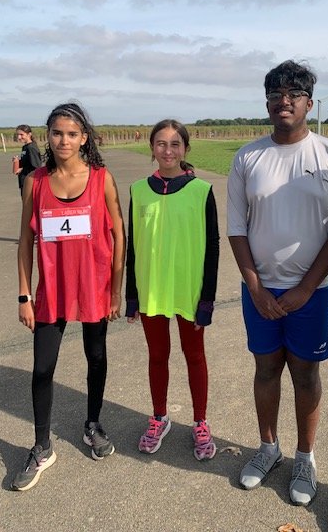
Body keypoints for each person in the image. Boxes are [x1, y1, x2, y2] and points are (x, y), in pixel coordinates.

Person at [227, 60, 328, 505]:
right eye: (276, 94)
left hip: (312, 292)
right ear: (267, 102)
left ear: (309, 103)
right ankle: (269, 448)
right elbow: (237, 228)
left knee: (305, 373)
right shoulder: (247, 157)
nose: (284, 101)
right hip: (260, 290)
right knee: (265, 370)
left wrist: (305, 287)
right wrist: (256, 288)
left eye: (294, 94)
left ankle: (305, 457)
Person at [13, 103, 126, 491]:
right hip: (52, 291)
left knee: (96, 357)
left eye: (72, 134)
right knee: (42, 369)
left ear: (84, 138)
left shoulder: (101, 178)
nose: (64, 140)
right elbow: (25, 240)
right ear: (47, 135)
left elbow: (119, 234)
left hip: (94, 288)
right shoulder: (35, 181)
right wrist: (24, 295)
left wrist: (115, 290)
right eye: (57, 133)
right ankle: (42, 447)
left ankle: (92, 424)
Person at [125, 119, 219, 461]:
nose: (168, 150)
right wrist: (131, 296)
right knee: (157, 356)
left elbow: (212, 247)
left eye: (175, 144)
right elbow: (133, 245)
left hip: (188, 292)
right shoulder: (138, 190)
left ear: (185, 149)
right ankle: (159, 417)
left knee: (195, 356)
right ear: (152, 148)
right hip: (152, 291)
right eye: (161, 143)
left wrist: (207, 300)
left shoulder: (201, 191)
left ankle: (200, 422)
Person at [15, 125, 42, 195]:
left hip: (30, 182)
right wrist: (18, 161)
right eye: (18, 135)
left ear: (29, 134)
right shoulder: (25, 147)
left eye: (21, 135)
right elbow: (27, 162)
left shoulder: (31, 148)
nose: (19, 137)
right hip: (24, 181)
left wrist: (22, 169)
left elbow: (36, 167)